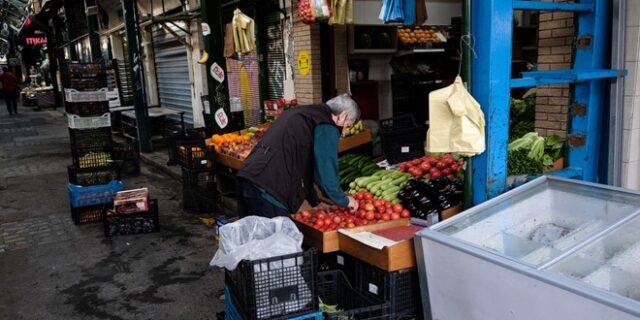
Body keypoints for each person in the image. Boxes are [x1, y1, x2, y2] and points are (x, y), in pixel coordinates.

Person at [236, 94, 361, 218]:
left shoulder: (305, 113)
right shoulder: (326, 124)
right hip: (269, 190)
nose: (343, 132)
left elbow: (304, 166)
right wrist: (343, 200)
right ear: (342, 115)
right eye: (347, 126)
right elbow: (326, 168)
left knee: (252, 236)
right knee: (279, 237)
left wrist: (315, 202)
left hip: (248, 178)